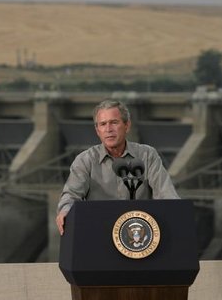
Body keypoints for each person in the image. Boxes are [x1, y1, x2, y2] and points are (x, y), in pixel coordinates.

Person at [56, 100, 180, 235]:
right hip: (99, 232)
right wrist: (65, 209)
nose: (108, 129)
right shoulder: (85, 160)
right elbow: (71, 194)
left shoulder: (147, 155)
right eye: (103, 124)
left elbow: (166, 194)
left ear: (127, 126)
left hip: (140, 233)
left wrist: (175, 213)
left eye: (114, 122)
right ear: (97, 130)